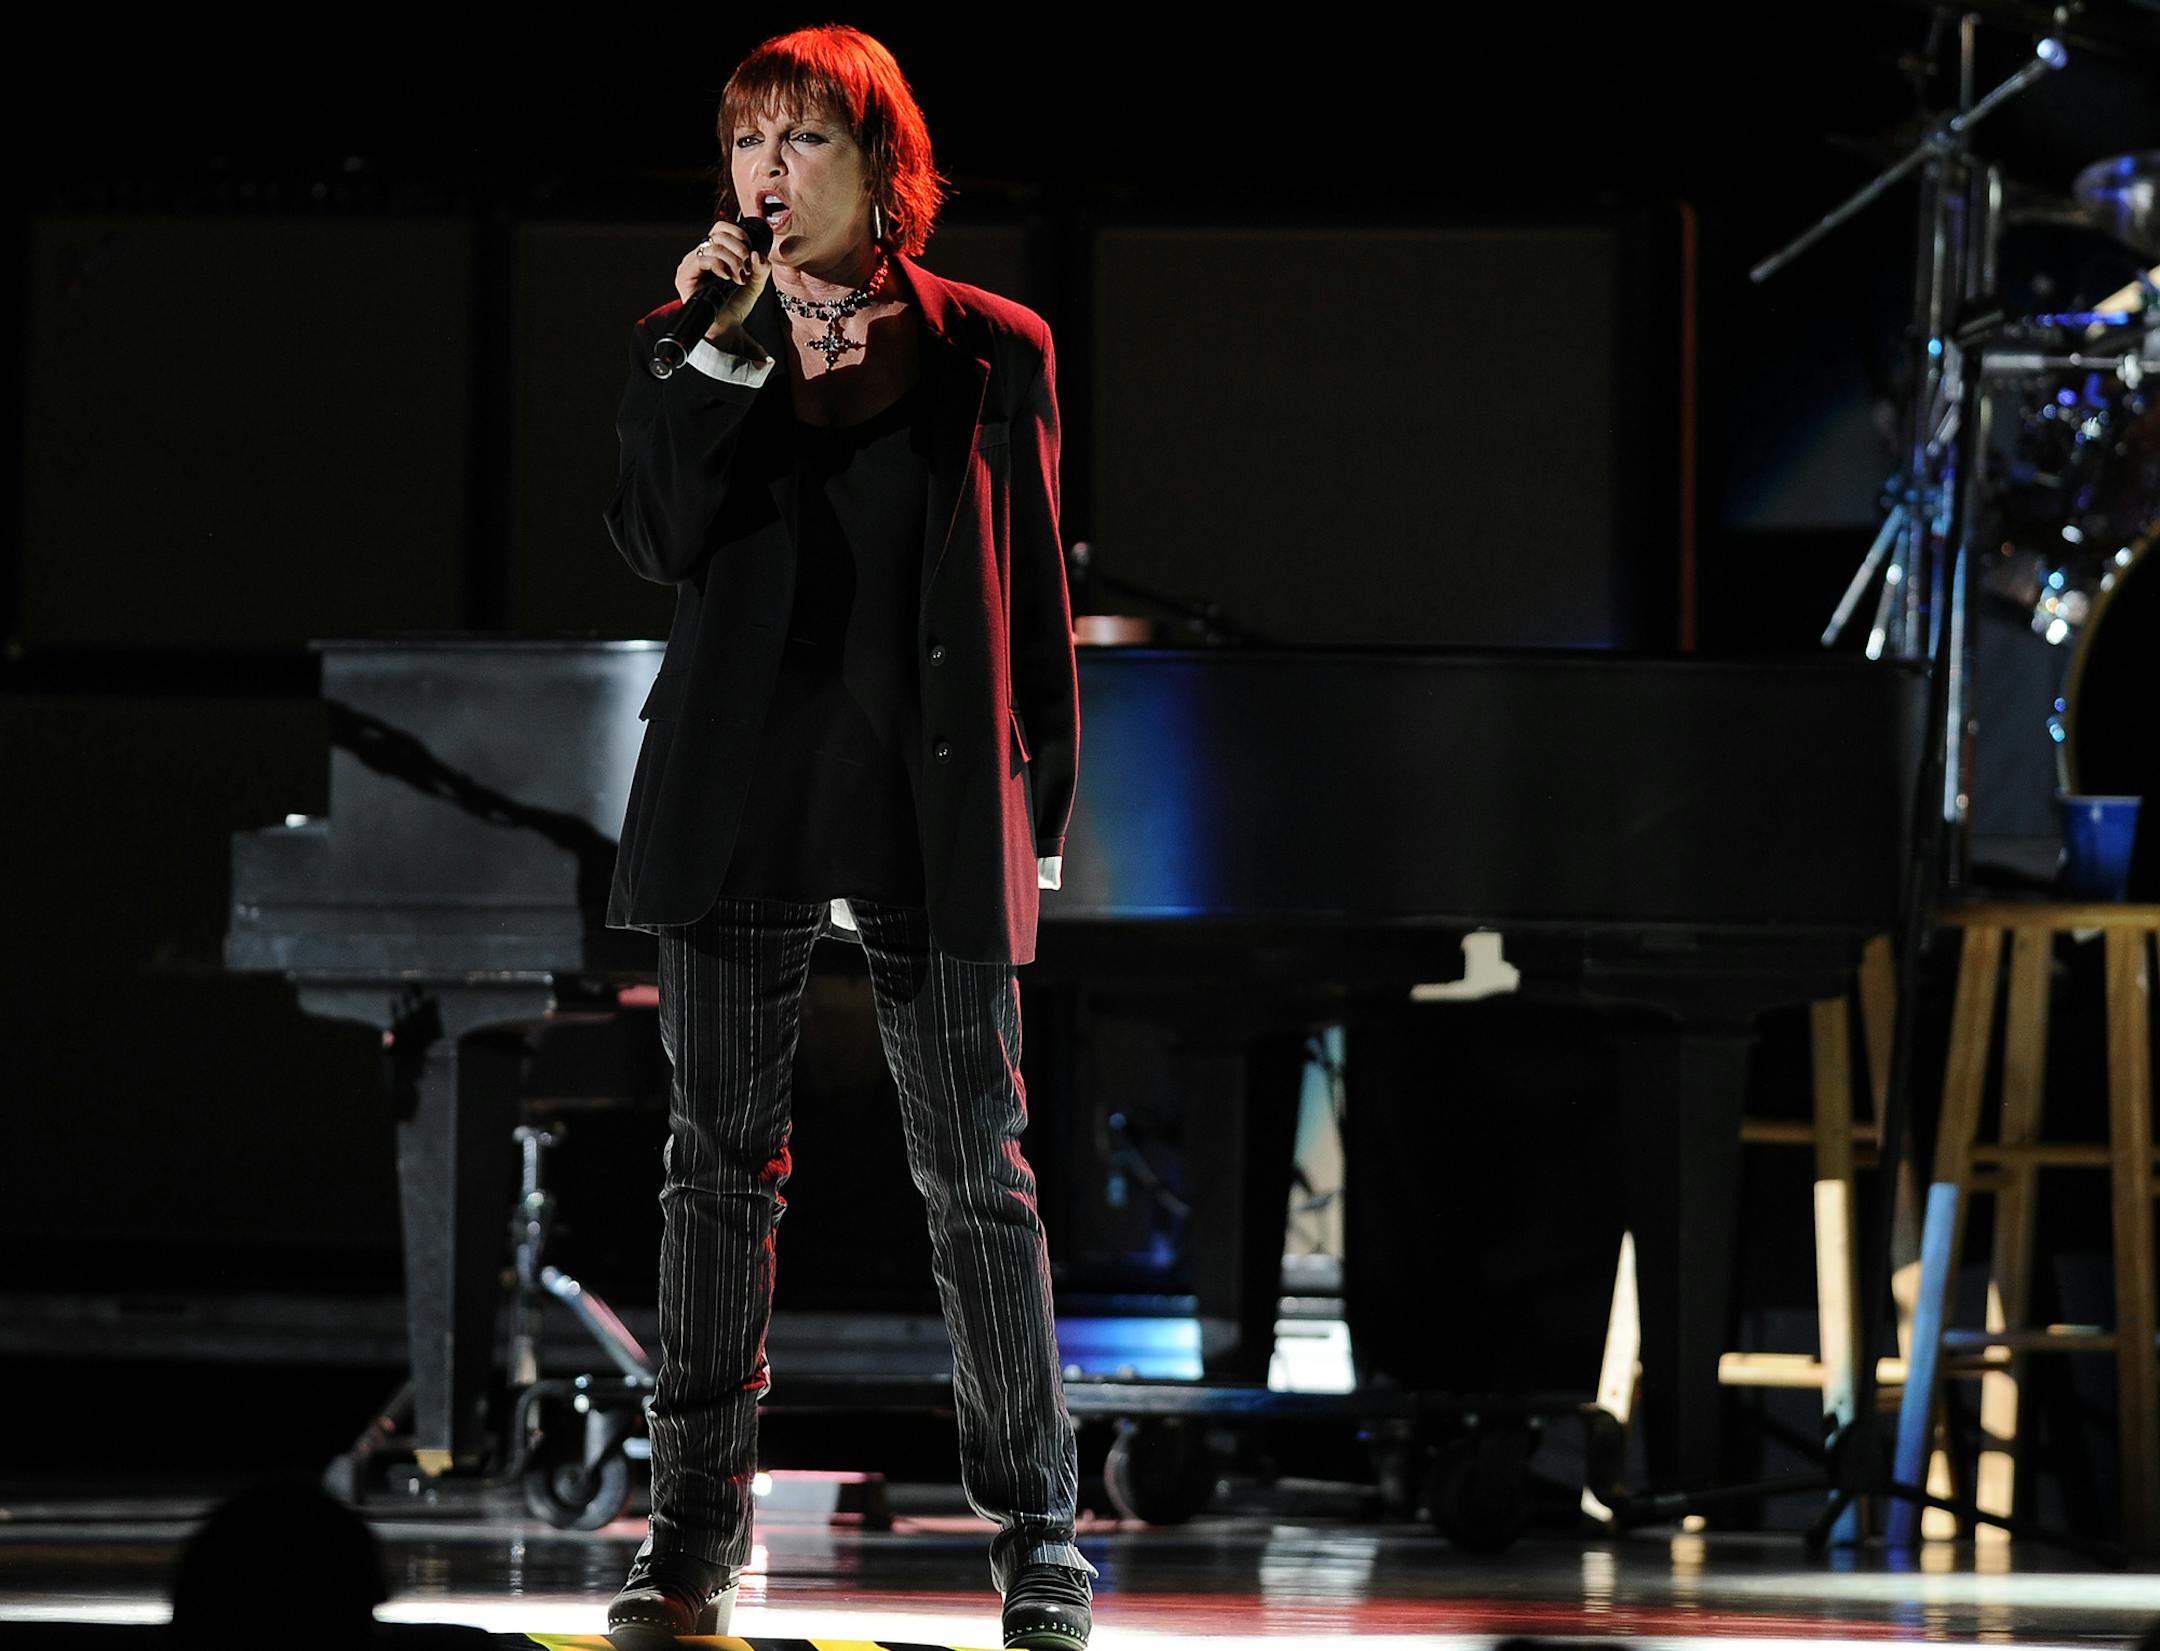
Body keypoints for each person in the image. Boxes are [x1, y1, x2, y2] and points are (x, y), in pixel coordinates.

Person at [598, 24, 1092, 1651]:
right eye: (748, 141)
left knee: (979, 1180)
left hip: (930, 803)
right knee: (715, 1179)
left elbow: (1034, 602)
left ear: (884, 168)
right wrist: (717, 347)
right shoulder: (691, 341)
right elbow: (652, 535)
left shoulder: (990, 346)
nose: (769, 171)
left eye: (805, 140)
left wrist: (1047, 815)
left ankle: (1037, 1550)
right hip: (740, 804)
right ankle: (686, 1548)